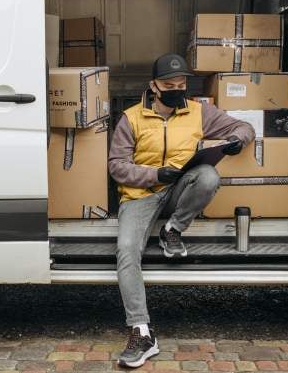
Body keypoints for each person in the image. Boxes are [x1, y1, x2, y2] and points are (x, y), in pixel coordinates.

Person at [108, 53, 255, 368]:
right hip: (140, 194)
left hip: (179, 192)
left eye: (181, 85)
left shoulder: (200, 112)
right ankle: (142, 332)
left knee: (208, 176)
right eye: (169, 85)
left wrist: (236, 140)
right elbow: (117, 166)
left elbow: (244, 126)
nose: (176, 90)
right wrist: (155, 175)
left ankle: (172, 230)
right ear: (154, 86)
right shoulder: (131, 118)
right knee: (126, 250)